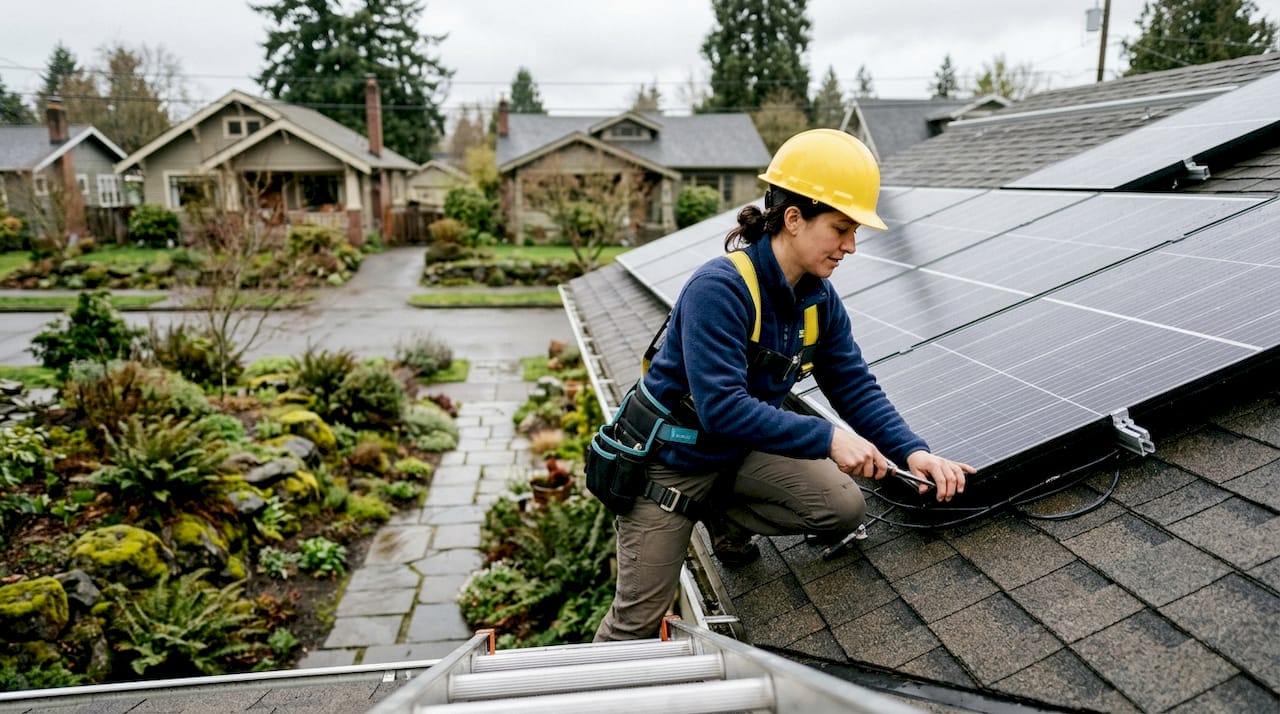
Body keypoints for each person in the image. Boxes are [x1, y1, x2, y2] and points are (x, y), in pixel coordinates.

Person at [592, 129, 975, 642]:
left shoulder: (818, 300)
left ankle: (718, 513)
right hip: (672, 464)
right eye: (841, 228)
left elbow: (854, 385)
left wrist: (912, 452)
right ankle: (693, 513)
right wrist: (829, 439)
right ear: (793, 219)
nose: (851, 246)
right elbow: (721, 409)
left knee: (843, 508)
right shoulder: (721, 289)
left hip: (736, 455)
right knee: (636, 626)